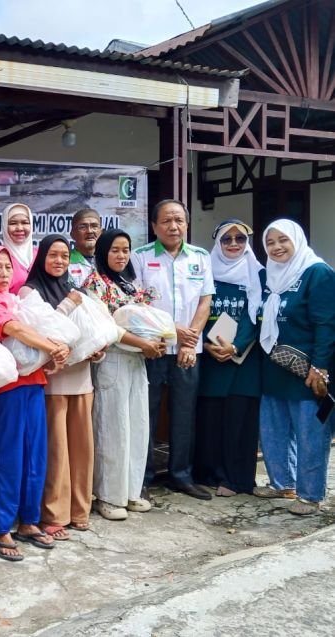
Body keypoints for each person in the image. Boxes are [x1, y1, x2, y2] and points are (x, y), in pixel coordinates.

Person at [0, 245, 64, 560]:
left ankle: (29, 520)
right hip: (4, 390)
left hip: (33, 382)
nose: (3, 273)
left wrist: (57, 347)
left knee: (35, 454)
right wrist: (51, 346)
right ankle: (2, 528)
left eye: (7, 267)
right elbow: (13, 329)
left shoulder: (17, 300)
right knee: (7, 457)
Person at [131, 199, 214, 501]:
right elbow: (139, 303)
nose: (173, 226)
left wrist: (189, 341)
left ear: (187, 224)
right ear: (154, 226)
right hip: (153, 348)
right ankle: (142, 479)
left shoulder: (200, 257)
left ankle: (181, 476)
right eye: (166, 220)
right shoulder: (140, 256)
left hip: (188, 351)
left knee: (184, 414)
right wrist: (173, 330)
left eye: (179, 220)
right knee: (146, 415)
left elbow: (205, 301)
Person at [83, 229, 166, 520]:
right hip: (113, 361)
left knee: (137, 427)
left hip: (137, 362)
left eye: (126, 250)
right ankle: (108, 496)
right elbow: (106, 328)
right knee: (112, 428)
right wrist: (143, 343)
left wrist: (156, 341)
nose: (121, 256)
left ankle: (131, 492)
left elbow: (148, 320)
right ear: (103, 252)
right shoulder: (94, 283)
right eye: (115, 250)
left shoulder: (131, 284)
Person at [255, 219, 335, 515]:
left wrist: (321, 367)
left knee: (310, 432)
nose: (276, 247)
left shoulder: (317, 272)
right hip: (275, 366)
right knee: (273, 428)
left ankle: (310, 494)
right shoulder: (269, 275)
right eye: (270, 242)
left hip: (307, 370)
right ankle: (282, 483)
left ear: (297, 241)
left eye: (283, 240)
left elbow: (327, 323)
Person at [23, 235, 101, 534]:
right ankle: (54, 514)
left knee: (82, 449)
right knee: (56, 451)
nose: (59, 261)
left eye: (65, 256)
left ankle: (80, 509)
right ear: (41, 257)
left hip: (81, 377)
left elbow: (91, 328)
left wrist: (98, 349)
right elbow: (41, 330)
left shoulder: (74, 288)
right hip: (52, 380)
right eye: (53, 255)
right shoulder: (30, 291)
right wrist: (68, 305)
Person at [194, 220, 264, 497]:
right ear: (217, 243)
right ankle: (208, 475)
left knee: (239, 420)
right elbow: (196, 308)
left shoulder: (259, 274)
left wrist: (236, 346)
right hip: (210, 356)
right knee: (210, 420)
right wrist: (204, 342)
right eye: (227, 239)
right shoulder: (205, 271)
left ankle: (236, 479)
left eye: (240, 239)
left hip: (244, 359)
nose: (234, 244)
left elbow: (258, 315)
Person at [68, 207, 102, 286]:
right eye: (83, 227)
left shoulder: (108, 261)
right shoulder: (65, 261)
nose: (89, 231)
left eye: (94, 226)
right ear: (72, 234)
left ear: (101, 232)